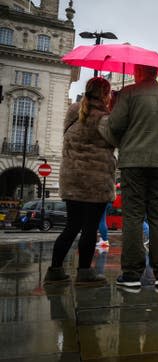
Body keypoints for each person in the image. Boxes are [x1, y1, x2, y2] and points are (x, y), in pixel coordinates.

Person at [103, 64, 158, 289]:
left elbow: (115, 126)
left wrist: (113, 110)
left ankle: (131, 274)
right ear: (156, 73)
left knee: (133, 216)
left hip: (133, 163)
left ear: (138, 73)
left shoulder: (128, 93)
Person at [44, 77, 116, 284]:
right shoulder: (104, 119)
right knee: (90, 228)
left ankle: (54, 270)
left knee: (71, 226)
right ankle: (84, 272)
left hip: (72, 178)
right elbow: (116, 140)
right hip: (96, 180)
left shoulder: (73, 111)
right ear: (105, 94)